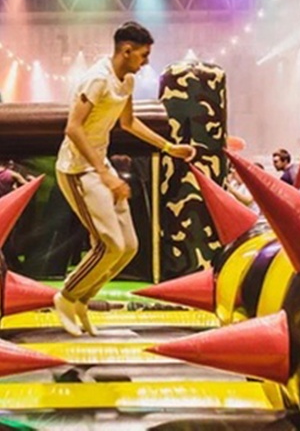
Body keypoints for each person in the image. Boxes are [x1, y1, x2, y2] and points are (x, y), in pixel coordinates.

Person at [53, 21, 195, 337]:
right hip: (77, 170)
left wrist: (169, 147)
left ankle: (82, 300)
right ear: (126, 50)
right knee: (110, 244)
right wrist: (105, 174)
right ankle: (65, 297)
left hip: (99, 165)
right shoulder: (97, 79)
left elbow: (128, 123)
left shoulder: (126, 81)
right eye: (143, 55)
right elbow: (73, 128)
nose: (145, 62)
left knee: (129, 246)